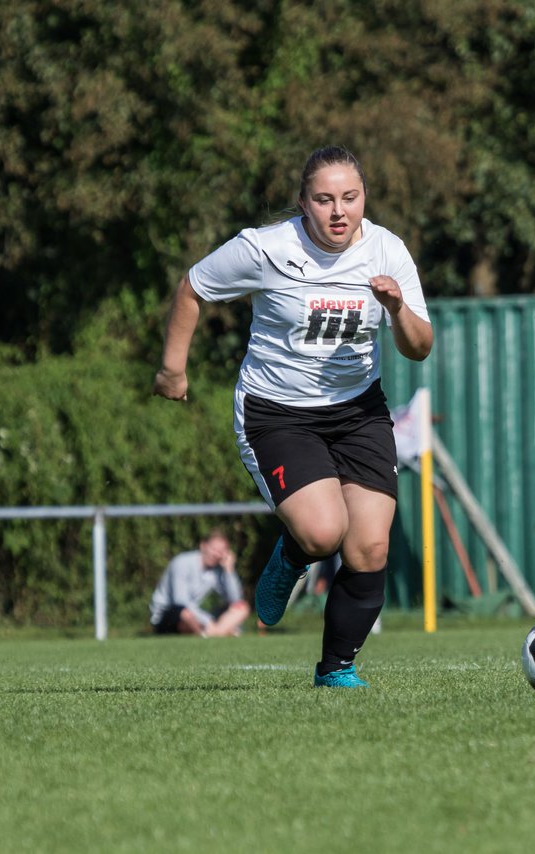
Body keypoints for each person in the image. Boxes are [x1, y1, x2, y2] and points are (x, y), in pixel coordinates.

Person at [153, 145, 433, 687]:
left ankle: (336, 669)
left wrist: (397, 307)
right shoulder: (266, 248)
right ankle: (294, 552)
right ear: (303, 202)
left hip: (358, 412)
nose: (338, 211)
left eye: (349, 198)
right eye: (324, 199)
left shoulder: (387, 251)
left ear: (364, 198)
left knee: (370, 545)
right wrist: (172, 370)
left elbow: (420, 347)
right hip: (277, 413)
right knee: (324, 533)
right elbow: (193, 287)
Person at [149, 530, 249, 637]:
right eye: (213, 549)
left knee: (242, 608)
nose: (216, 554)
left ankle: (214, 633)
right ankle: (217, 632)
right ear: (203, 546)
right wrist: (208, 621)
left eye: (221, 551)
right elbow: (180, 601)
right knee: (185, 614)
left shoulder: (217, 571)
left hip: (195, 616)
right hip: (168, 615)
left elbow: (235, 600)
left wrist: (229, 570)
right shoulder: (181, 562)